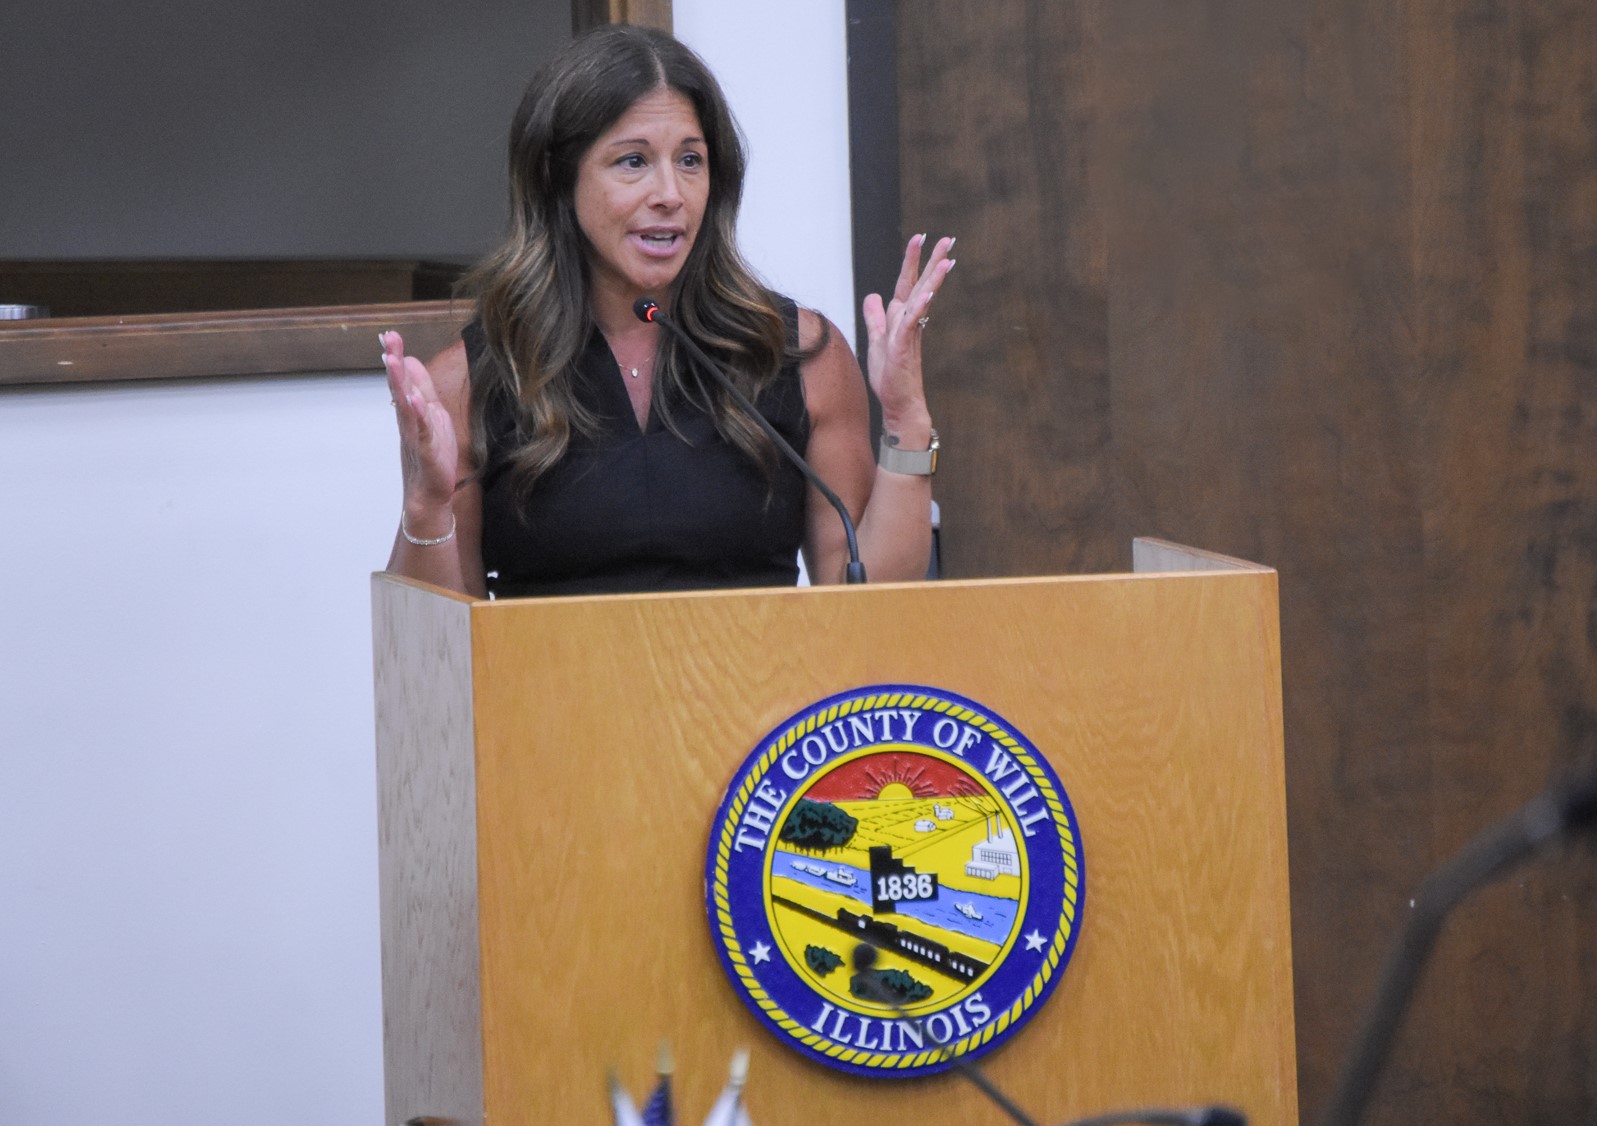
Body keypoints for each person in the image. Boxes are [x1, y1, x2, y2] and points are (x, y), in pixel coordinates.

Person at [381, 25, 952, 597]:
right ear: (559, 177)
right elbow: (435, 648)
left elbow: (865, 598)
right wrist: (428, 506)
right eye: (633, 161)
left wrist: (906, 425)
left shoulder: (799, 358)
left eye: (690, 160)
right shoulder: (470, 381)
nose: (670, 194)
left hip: (765, 685)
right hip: (558, 686)